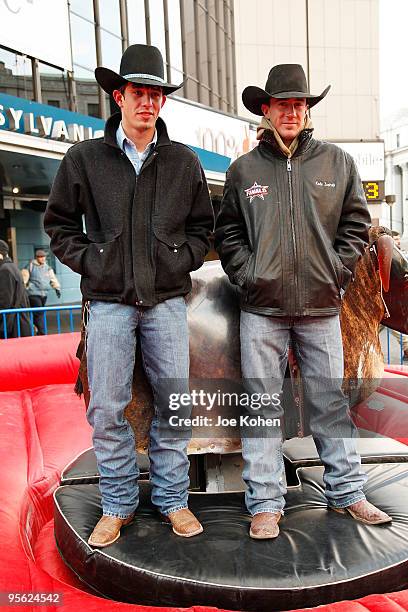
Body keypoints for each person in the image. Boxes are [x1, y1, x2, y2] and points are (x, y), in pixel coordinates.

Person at [44, 44, 213, 547]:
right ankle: (117, 504)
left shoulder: (184, 163)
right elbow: (58, 227)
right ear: (119, 96)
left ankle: (172, 501)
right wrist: (96, 263)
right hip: (110, 305)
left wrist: (177, 260)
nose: (147, 102)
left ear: (162, 102)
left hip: (165, 305)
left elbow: (204, 230)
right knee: (107, 408)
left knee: (174, 406)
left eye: (155, 94)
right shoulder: (84, 159)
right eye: (138, 92)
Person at [215, 63, 391, 539]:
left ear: (307, 110)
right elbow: (228, 232)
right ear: (266, 109)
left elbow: (357, 226)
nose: (291, 111)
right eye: (282, 103)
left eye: (300, 103)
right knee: (262, 404)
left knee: (329, 401)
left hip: (321, 307)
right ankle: (266, 504)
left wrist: (336, 272)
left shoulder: (337, 163)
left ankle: (348, 492)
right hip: (261, 310)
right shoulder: (243, 170)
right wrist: (249, 275)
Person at [22, 249, 61, 335]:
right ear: (36, 258)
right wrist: (24, 291)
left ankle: (36, 329)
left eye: (44, 257)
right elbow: (24, 279)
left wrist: (57, 288)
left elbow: (52, 278)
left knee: (39, 313)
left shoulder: (47, 267)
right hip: (33, 294)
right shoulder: (30, 266)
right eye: (40, 257)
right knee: (39, 313)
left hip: (44, 294)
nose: (43, 259)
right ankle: (42, 332)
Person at [0, 239, 31, 338]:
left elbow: (5, 301)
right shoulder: (12, 266)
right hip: (19, 321)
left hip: (12, 324)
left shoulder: (5, 269)